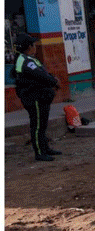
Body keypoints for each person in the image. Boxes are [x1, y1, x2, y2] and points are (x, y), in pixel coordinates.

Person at [12, 33, 61, 161]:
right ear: (29, 46)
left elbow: (43, 73)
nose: (35, 46)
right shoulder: (25, 60)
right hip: (34, 98)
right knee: (38, 125)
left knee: (42, 124)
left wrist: (52, 80)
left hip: (40, 96)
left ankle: (45, 148)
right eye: (33, 44)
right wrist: (54, 82)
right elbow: (40, 75)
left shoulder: (28, 58)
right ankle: (40, 153)